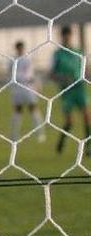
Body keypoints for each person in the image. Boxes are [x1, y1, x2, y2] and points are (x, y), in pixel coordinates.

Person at [52, 25, 90, 155]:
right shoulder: (58, 54)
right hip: (66, 90)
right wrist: (62, 78)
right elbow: (52, 74)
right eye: (65, 35)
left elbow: (86, 69)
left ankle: (88, 147)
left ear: (71, 36)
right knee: (69, 122)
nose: (67, 37)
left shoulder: (79, 51)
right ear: (62, 37)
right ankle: (61, 142)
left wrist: (86, 77)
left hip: (80, 88)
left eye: (69, 35)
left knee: (87, 117)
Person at [10, 41, 46, 142]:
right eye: (18, 48)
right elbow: (10, 74)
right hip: (17, 88)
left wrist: (38, 84)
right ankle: (14, 135)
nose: (20, 50)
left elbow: (31, 74)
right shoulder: (12, 60)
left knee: (33, 109)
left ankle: (40, 134)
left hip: (28, 87)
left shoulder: (27, 59)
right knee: (17, 110)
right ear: (16, 49)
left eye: (21, 48)